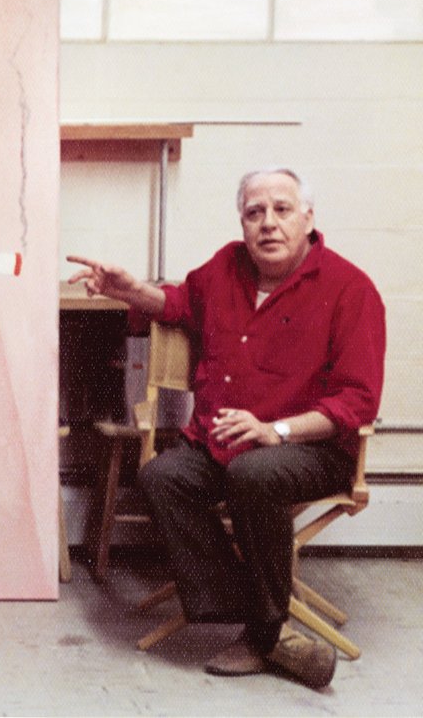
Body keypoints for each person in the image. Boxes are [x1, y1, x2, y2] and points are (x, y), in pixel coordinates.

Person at [69, 167, 385, 690]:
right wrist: (130, 290)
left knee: (256, 474)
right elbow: (176, 303)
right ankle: (266, 628)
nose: (268, 223)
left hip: (311, 446)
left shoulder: (351, 290)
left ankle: (261, 633)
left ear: (308, 218)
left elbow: (359, 400)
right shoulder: (224, 268)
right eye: (254, 212)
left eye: (282, 209)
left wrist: (276, 431)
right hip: (221, 441)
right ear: (242, 222)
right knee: (162, 477)